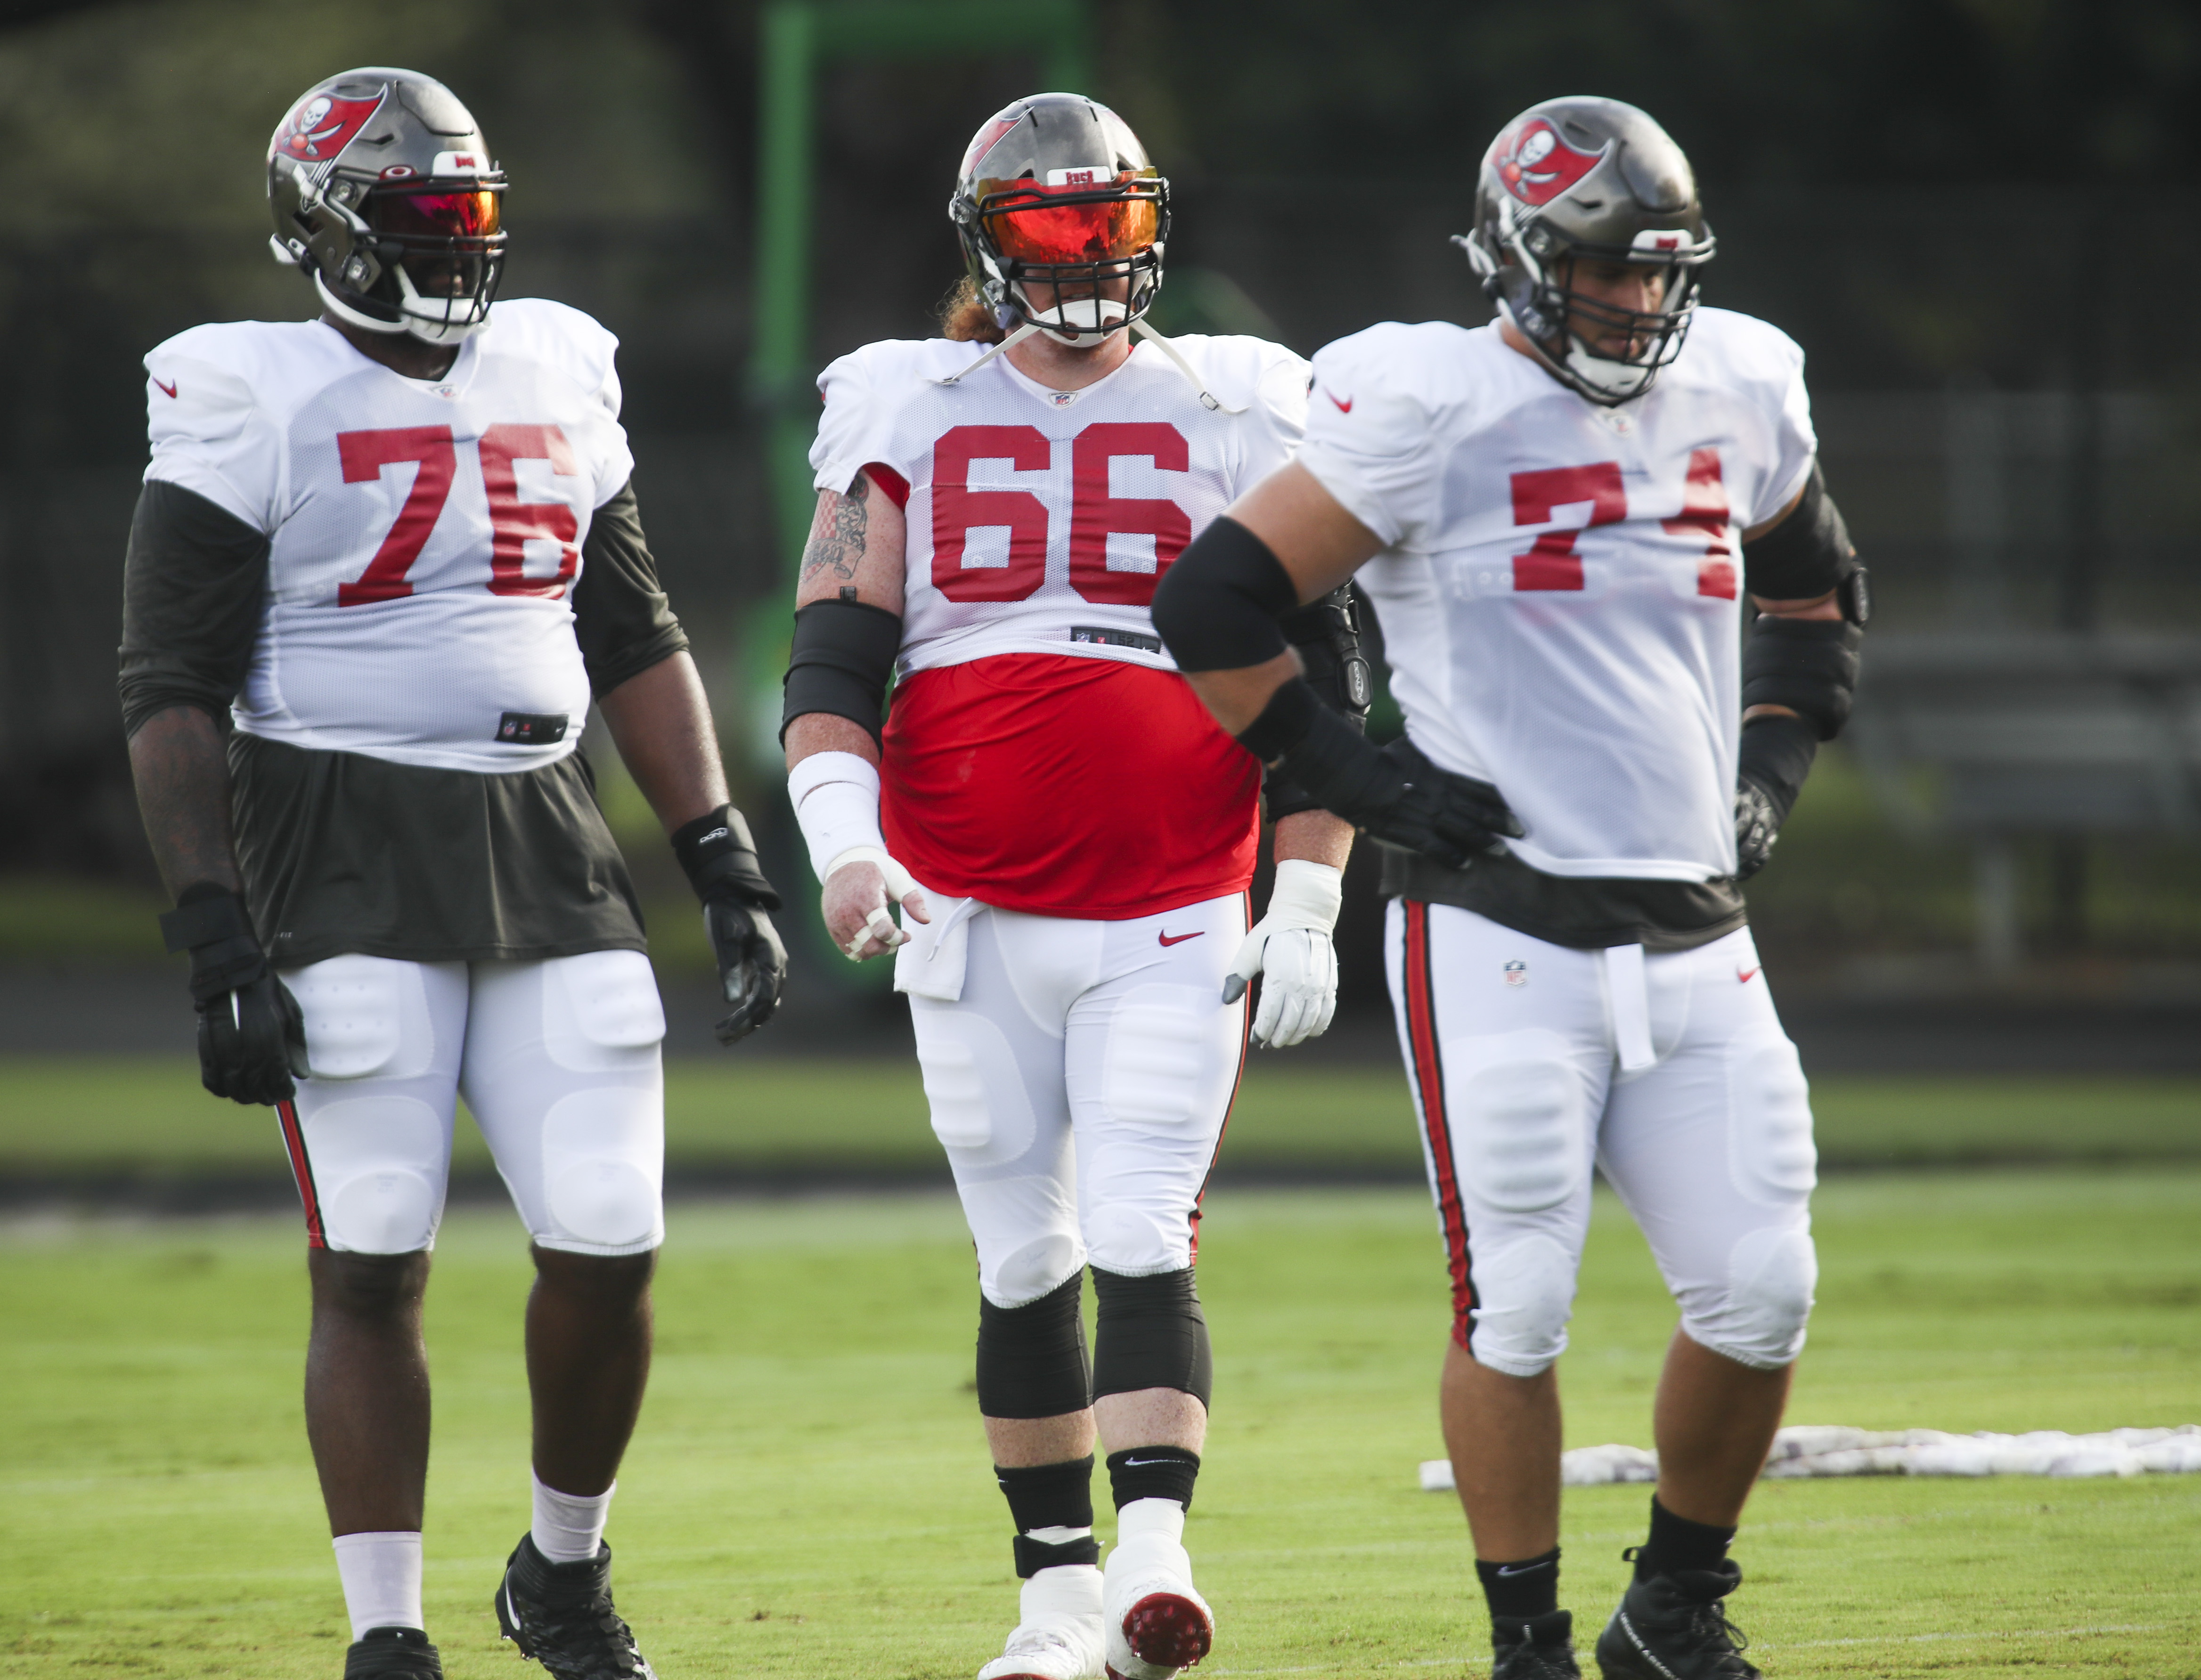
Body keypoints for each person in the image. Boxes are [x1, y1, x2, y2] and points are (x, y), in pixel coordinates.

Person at [1153, 97, 1868, 1680]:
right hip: (1498, 928)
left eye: (1655, 271)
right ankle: (1526, 1643)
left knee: (1763, 1291)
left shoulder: (1740, 380)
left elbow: (1820, 595)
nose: (1635, 301)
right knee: (1519, 1306)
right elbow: (1214, 599)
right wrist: (1361, 779)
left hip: (1696, 931)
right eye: (1606, 270)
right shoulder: (1431, 399)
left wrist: (1770, 780)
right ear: (1524, 255)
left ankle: (1671, 1608)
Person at [119, 68, 786, 1680]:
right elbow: (169, 688)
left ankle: (562, 1574)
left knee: (612, 1236)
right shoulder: (247, 391)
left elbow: (634, 634)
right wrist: (213, 930)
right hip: (334, 845)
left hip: (547, 836)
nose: (454, 252)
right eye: (419, 219)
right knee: (375, 1244)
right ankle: (388, 1635)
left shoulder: (554, 363)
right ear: (325, 232)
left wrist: (721, 854)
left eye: (469, 218)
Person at [778, 93, 1363, 1680]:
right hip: (964, 906)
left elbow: (1322, 681)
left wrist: (1307, 897)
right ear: (989, 246)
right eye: (1048, 226)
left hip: (1173, 901)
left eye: (1106, 221)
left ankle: (1155, 1562)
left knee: (1139, 1224)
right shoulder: (905, 403)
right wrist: (846, 849)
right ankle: (1051, 1606)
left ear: (1150, 228)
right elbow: (834, 657)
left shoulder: (1238, 402)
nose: (1086, 257)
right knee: (1022, 1258)